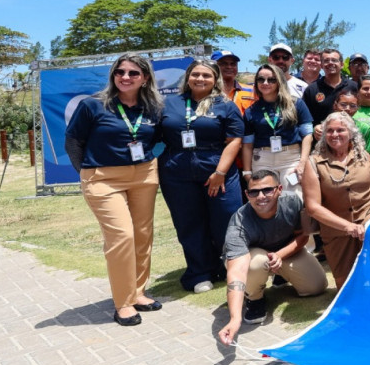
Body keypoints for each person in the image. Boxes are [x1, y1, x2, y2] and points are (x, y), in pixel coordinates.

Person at [64, 54, 165, 327]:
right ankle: (123, 303)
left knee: (143, 235)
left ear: (145, 78)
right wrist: (86, 174)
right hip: (103, 179)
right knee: (122, 236)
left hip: (143, 175)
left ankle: (138, 291)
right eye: (120, 72)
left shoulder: (152, 108)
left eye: (133, 73)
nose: (125, 77)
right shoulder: (93, 105)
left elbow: (155, 139)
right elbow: (73, 142)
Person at [157, 60, 244, 293]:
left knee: (227, 219)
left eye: (206, 75)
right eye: (195, 74)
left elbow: (235, 139)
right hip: (177, 171)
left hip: (217, 169)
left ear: (215, 79)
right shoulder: (168, 103)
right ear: (187, 77)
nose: (200, 79)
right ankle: (199, 273)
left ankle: (231, 267)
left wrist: (220, 173)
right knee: (189, 223)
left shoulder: (225, 104)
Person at [217, 170, 327, 345]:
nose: (261, 196)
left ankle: (280, 274)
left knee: (316, 286)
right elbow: (237, 271)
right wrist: (234, 319)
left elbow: (303, 236)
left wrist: (279, 255)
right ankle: (254, 299)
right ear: (247, 194)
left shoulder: (293, 201)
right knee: (257, 264)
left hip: (283, 251)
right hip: (253, 257)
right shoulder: (239, 222)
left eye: (267, 190)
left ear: (279, 189)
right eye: (253, 192)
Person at [302, 113, 370, 288]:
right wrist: (348, 227)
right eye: (330, 131)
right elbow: (313, 207)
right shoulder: (314, 162)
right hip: (336, 227)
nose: (335, 134)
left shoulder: (364, 156)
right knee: (344, 284)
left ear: (351, 133)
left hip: (369, 213)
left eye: (340, 130)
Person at [241, 64, 314, 193]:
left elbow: (307, 135)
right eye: (261, 79)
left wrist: (302, 163)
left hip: (290, 159)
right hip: (262, 159)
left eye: (271, 80)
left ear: (279, 81)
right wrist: (247, 171)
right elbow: (247, 144)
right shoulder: (251, 111)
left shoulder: (296, 103)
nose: (265, 83)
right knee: (265, 201)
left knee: (293, 199)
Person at [302, 49, 355, 126]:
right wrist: (315, 130)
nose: (330, 63)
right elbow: (305, 119)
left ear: (342, 64)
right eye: (326, 61)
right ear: (321, 65)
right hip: (320, 136)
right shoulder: (312, 89)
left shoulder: (353, 86)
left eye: (334, 60)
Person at [212, 50, 255, 114]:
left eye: (233, 64)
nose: (229, 67)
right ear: (213, 67)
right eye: (223, 64)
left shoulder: (252, 90)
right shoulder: (207, 91)